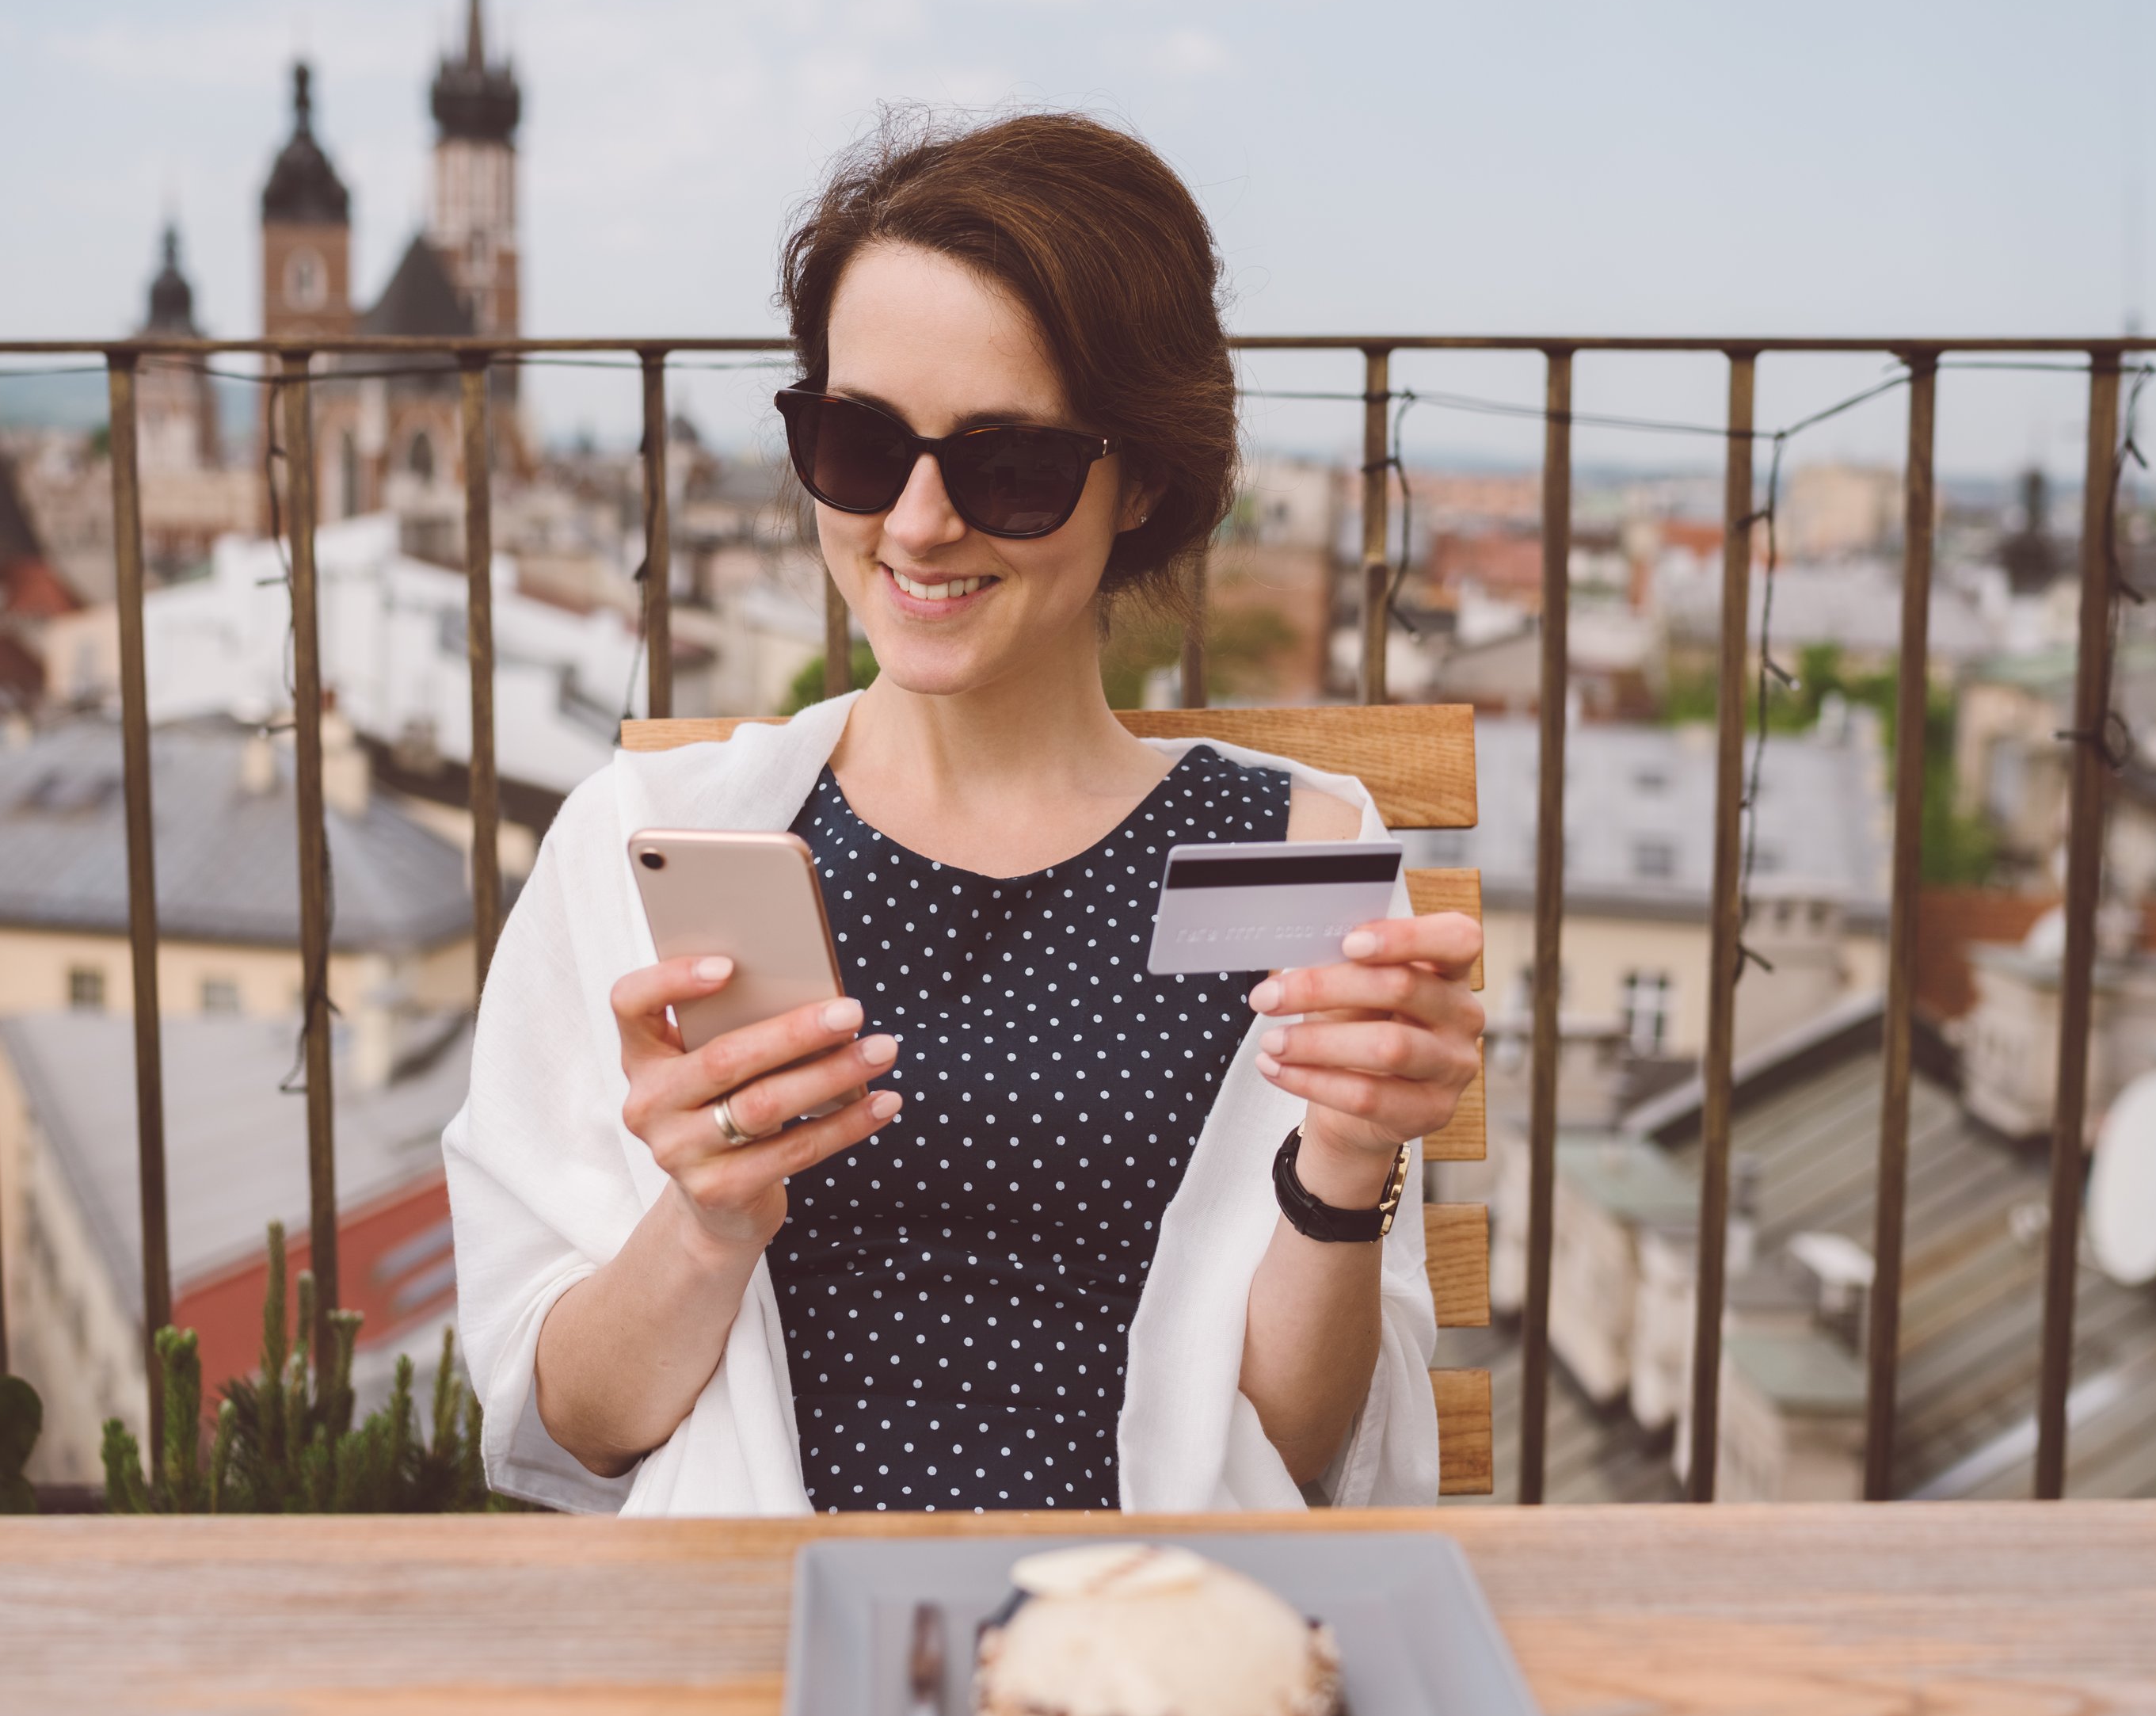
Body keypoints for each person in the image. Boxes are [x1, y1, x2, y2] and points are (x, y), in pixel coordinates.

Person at [448, 112, 1482, 1516]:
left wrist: (1350, 1159)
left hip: (1145, 1639)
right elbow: (574, 1427)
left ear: (1147, 484)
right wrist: (706, 1222)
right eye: (860, 444)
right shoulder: (643, 844)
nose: (920, 524)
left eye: (1009, 467)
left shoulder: (1287, 852)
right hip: (768, 1634)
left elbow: (1297, 1456)